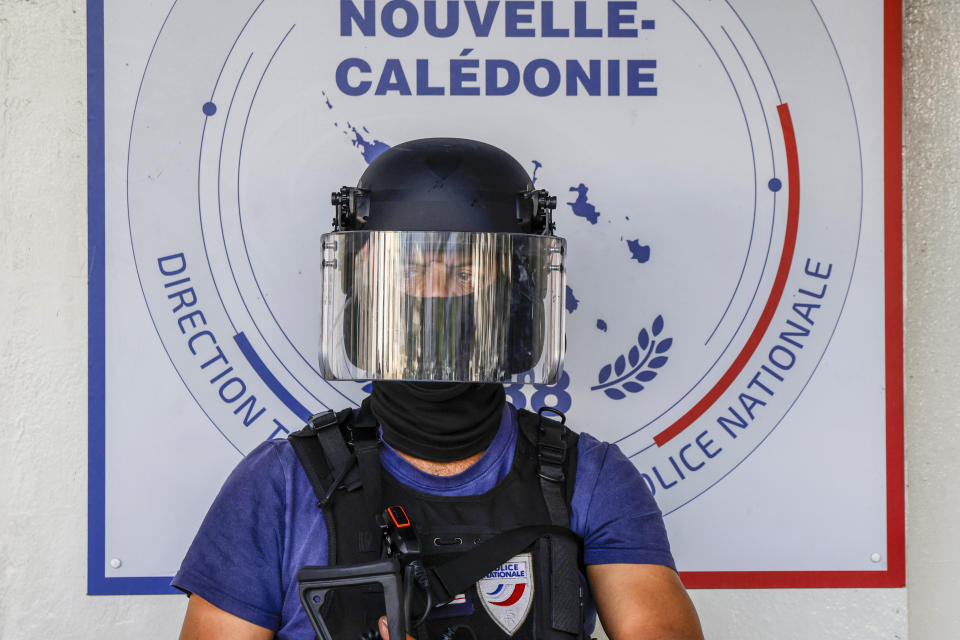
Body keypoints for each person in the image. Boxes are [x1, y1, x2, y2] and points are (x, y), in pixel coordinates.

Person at [174, 138, 703, 639]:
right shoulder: (279, 486)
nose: (434, 296)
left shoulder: (588, 479)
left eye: (467, 272)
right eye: (410, 270)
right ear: (365, 286)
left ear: (516, 293)